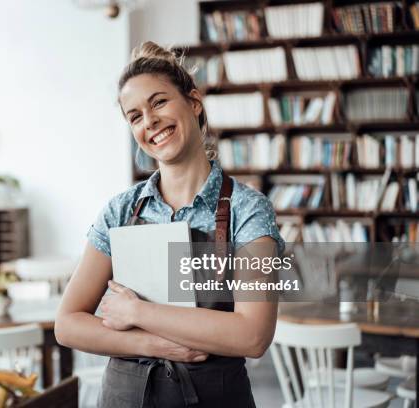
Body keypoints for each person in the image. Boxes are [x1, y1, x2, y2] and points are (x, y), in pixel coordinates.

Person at [55, 41, 285, 407]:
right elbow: (67, 323)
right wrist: (150, 343)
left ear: (194, 102)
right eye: (135, 116)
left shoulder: (248, 210)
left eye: (159, 102)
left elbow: (253, 335)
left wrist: (138, 312)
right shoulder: (120, 212)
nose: (150, 121)